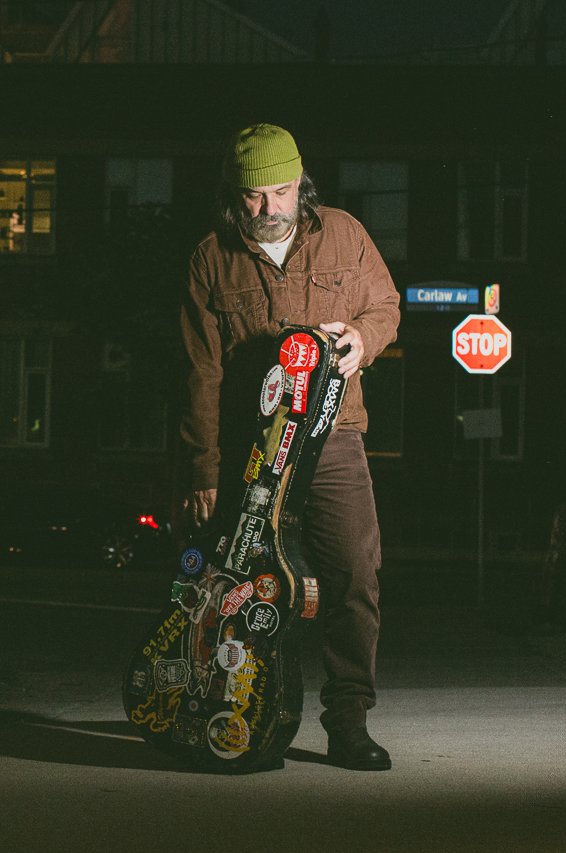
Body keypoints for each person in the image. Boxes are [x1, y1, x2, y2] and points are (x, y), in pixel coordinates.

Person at [180, 123, 400, 770]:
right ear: (233, 195)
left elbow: (386, 303)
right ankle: (247, 710)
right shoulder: (208, 260)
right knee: (245, 583)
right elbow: (200, 373)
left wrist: (364, 338)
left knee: (355, 573)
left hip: (333, 435)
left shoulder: (344, 233)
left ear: (301, 185)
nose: (270, 208)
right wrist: (203, 468)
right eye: (254, 196)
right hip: (251, 446)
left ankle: (349, 721)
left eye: (281, 191)